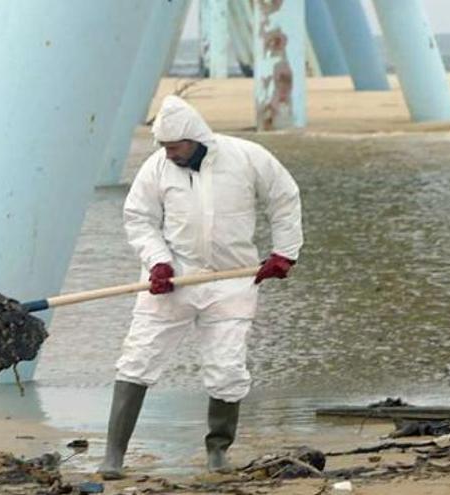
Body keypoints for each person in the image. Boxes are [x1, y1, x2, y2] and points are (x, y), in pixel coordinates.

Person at [98, 96, 303, 479]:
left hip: (232, 279)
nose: (169, 154)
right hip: (172, 279)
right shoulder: (157, 167)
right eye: (164, 147)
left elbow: (284, 198)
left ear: (195, 138)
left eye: (175, 147)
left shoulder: (246, 157)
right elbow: (138, 217)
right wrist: (158, 261)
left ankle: (217, 452)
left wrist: (283, 253)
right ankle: (112, 457)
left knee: (226, 369)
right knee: (138, 359)